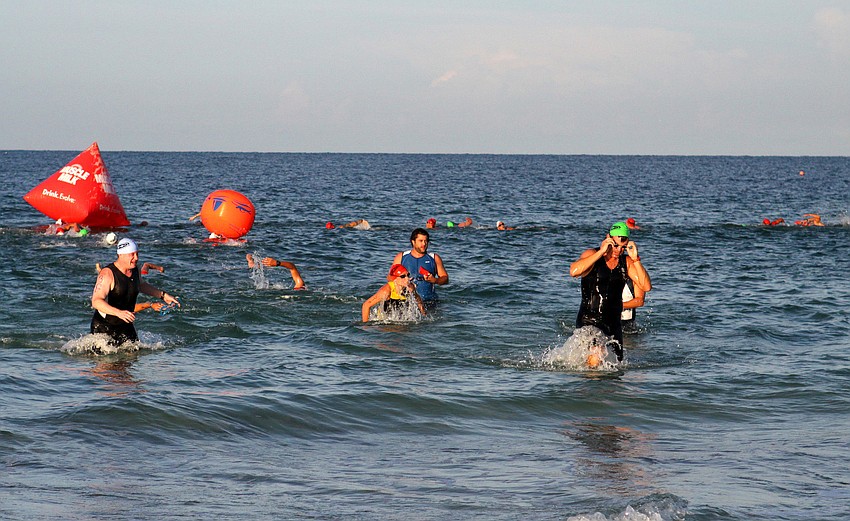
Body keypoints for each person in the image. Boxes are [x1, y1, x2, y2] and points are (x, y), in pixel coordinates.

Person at [569, 222, 652, 361]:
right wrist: (601, 252)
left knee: (616, 367)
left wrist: (636, 259)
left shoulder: (627, 262)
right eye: (615, 245)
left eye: (622, 247)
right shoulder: (592, 255)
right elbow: (574, 271)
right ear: (608, 238)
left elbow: (646, 287)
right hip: (589, 320)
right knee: (596, 355)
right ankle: (591, 382)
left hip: (613, 323)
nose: (618, 251)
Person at [90, 238, 180, 345]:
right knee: (108, 360)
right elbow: (96, 301)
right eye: (132, 255)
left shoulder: (135, 270)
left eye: (137, 254)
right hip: (104, 326)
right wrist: (119, 313)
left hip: (125, 323)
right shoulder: (107, 274)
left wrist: (163, 295)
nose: (136, 258)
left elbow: (141, 285)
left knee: (133, 356)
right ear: (121, 255)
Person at [392, 228, 449, 304]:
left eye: (426, 241)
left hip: (429, 301)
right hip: (407, 301)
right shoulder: (401, 257)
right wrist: (402, 281)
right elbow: (390, 277)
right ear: (413, 242)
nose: (424, 244)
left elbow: (445, 279)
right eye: (421, 241)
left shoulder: (434, 258)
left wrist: (435, 280)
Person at [361, 264, 426, 322]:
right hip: (383, 321)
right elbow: (366, 305)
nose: (407, 279)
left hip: (399, 318)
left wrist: (424, 314)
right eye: (403, 276)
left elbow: (418, 299)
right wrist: (366, 326)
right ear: (395, 279)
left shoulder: (410, 288)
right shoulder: (386, 291)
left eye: (408, 275)